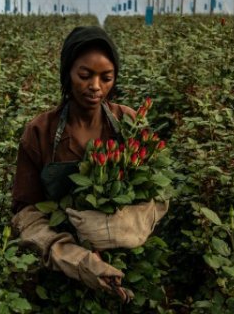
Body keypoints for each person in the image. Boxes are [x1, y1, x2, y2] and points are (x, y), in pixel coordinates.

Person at [11, 26, 162, 302]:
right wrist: (75, 258)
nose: (95, 87)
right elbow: (25, 211)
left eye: (106, 78)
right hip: (56, 276)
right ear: (67, 74)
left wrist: (123, 226)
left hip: (127, 269)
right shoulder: (40, 132)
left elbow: (158, 192)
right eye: (85, 75)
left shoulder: (129, 124)